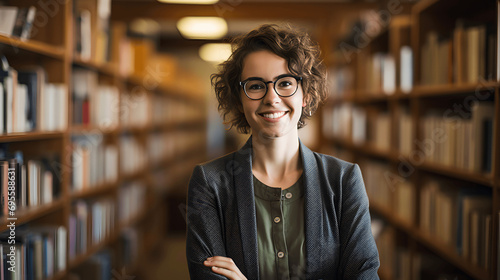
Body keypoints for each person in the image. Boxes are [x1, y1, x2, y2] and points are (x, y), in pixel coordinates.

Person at [186, 23, 380, 280]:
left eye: (285, 83)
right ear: (239, 99)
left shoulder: (343, 180)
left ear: (306, 95)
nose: (272, 97)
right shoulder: (209, 182)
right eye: (255, 86)